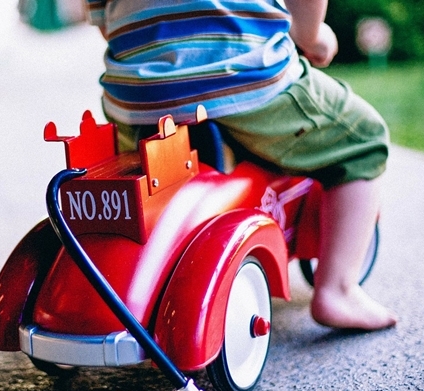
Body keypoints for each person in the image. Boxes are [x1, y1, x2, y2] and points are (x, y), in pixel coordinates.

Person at [84, 0, 398, 331]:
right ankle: (339, 290)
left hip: (136, 96)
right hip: (243, 77)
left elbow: (103, 17)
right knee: (365, 137)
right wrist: (313, 36)